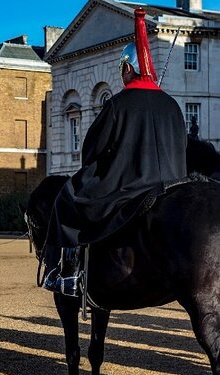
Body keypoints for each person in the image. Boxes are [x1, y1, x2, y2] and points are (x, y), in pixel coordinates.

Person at [42, 7, 187, 297]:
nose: (121, 73)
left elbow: (92, 151)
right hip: (173, 186)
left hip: (129, 187)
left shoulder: (118, 105)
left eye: (122, 67)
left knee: (66, 198)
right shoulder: (172, 105)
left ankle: (67, 273)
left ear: (128, 68)